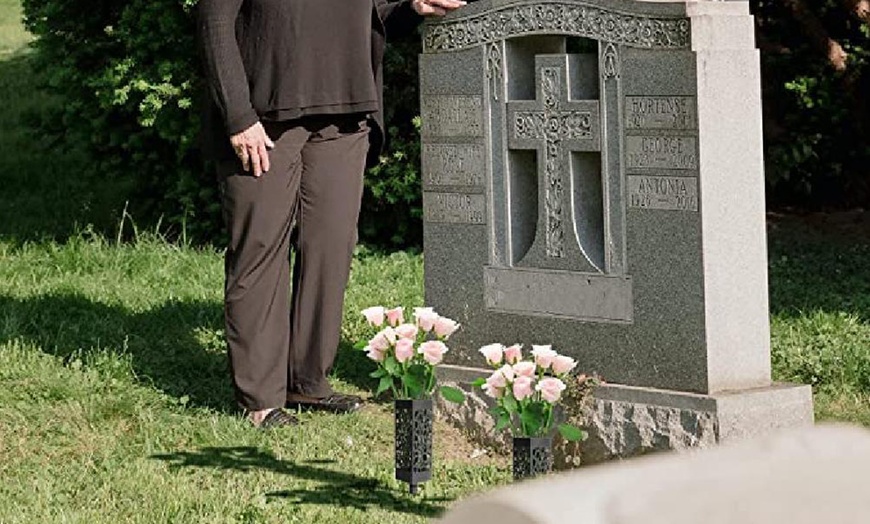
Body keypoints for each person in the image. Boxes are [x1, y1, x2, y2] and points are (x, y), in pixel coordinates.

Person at [197, 0, 465, 428]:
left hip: (346, 114)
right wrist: (237, 115)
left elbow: (373, 17)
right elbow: (213, 21)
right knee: (261, 247)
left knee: (330, 249)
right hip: (263, 118)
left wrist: (413, 7)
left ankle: (308, 380)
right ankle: (261, 399)